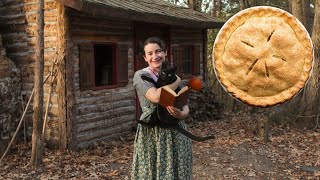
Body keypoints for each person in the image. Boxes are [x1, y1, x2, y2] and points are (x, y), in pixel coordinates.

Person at [131, 37, 192, 179]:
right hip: (153, 132)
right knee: (151, 170)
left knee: (178, 170)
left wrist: (181, 114)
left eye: (158, 51)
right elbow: (156, 97)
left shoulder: (171, 74)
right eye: (150, 53)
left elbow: (185, 105)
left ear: (165, 53)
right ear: (145, 58)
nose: (155, 56)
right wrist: (177, 81)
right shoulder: (141, 75)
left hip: (176, 131)